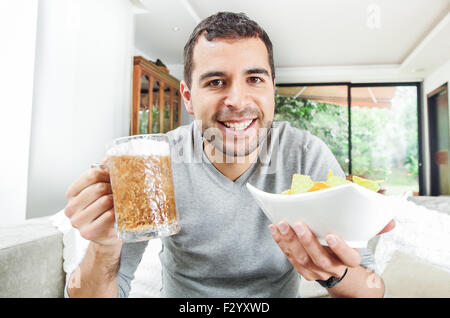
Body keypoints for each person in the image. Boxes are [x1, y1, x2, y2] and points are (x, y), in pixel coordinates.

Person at [64, 12, 394, 298]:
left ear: (272, 90)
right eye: (216, 82)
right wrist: (104, 246)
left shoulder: (306, 155)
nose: (236, 100)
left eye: (254, 79)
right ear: (188, 96)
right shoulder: (155, 163)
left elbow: (372, 286)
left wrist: (332, 273)